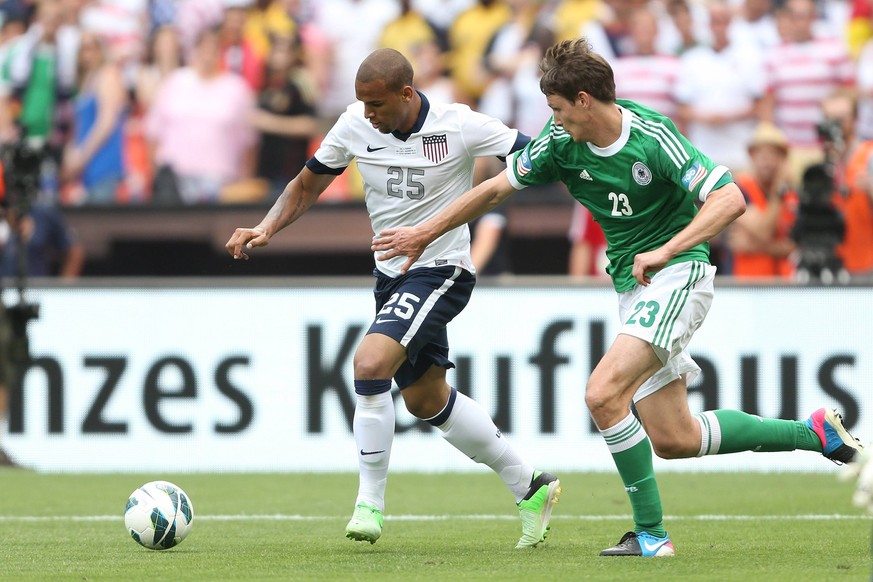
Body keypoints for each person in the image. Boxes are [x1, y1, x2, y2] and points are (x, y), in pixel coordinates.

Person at [371, 37, 866, 557]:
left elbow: (730, 198)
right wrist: (425, 233)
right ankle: (812, 433)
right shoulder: (559, 143)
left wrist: (666, 249)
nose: (553, 120)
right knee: (676, 438)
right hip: (637, 287)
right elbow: (494, 190)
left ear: (585, 100)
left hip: (679, 273)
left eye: (558, 109)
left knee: (603, 394)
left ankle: (652, 536)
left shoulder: (652, 136)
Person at [225, 48, 561, 548]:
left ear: (407, 94)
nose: (368, 114)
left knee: (368, 362)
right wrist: (266, 226)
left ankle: (369, 504)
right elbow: (306, 185)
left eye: (376, 104)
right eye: (361, 103)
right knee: (426, 400)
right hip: (389, 277)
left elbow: (537, 154)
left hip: (441, 269)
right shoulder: (355, 126)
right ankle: (529, 486)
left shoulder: (458, 125)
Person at [728, 122, 797, 279]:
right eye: (761, 154)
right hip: (749, 282)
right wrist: (778, 194)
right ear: (752, 156)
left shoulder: (792, 196)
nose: (767, 160)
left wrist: (754, 246)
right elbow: (764, 232)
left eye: (774, 154)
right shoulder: (739, 189)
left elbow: (797, 245)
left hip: (784, 283)